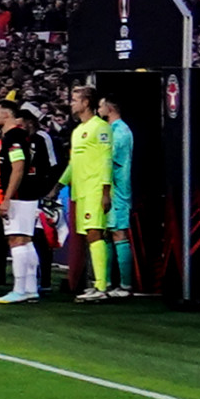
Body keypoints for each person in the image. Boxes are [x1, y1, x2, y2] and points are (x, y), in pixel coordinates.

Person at [67, 87, 130, 300]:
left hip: (95, 189)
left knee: (95, 234)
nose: (72, 103)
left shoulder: (102, 128)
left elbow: (105, 161)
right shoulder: (78, 131)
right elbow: (73, 163)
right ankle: (99, 284)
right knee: (90, 236)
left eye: (75, 99)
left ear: (86, 103)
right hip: (81, 191)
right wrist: (59, 185)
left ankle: (102, 287)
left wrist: (105, 191)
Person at [0, 105, 50, 303]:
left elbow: (18, 168)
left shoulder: (13, 138)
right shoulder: (19, 136)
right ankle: (30, 287)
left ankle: (19, 289)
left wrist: (7, 198)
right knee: (25, 240)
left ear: (6, 114)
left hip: (19, 195)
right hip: (27, 194)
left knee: (16, 239)